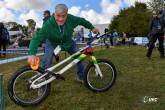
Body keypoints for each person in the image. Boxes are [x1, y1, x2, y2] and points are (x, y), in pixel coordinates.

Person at [28, 4, 99, 83]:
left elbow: (82, 21)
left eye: (63, 16)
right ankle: (41, 83)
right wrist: (32, 54)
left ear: (67, 14)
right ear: (54, 13)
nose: (61, 19)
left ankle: (80, 77)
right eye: (58, 16)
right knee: (46, 61)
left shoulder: (71, 19)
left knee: (80, 58)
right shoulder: (48, 25)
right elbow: (36, 38)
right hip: (52, 43)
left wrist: (92, 27)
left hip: (68, 42)